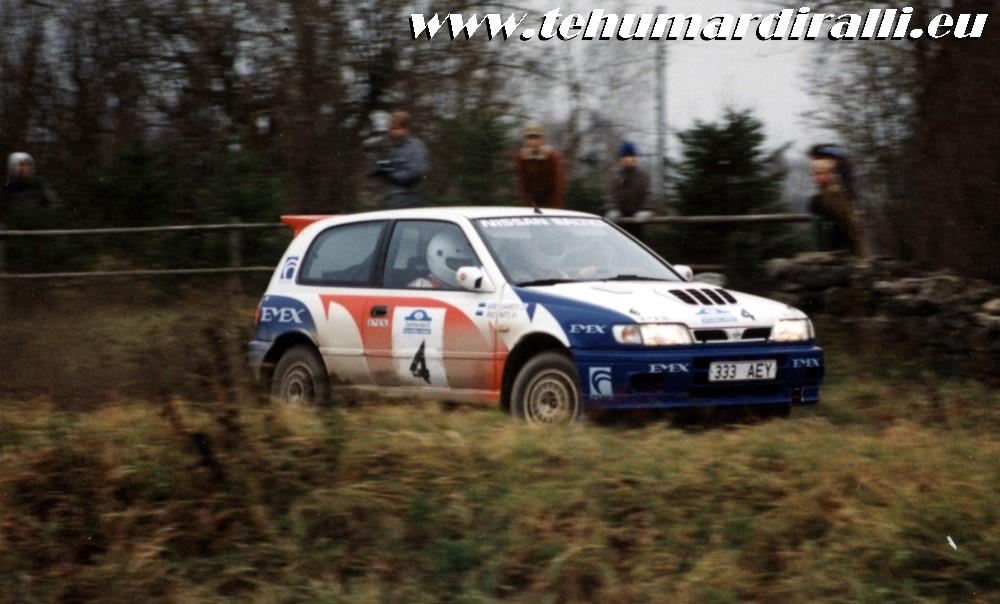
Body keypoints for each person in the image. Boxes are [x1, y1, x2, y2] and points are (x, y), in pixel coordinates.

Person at [808, 144, 866, 257]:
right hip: (843, 231)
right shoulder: (836, 176)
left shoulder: (837, 184)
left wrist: (821, 204)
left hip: (844, 234)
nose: (815, 177)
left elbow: (841, 211)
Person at [369, 111, 429, 209]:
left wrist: (391, 175)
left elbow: (416, 172)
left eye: (395, 128)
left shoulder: (415, 147)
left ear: (405, 129)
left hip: (407, 200)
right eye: (390, 128)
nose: (391, 132)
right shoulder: (391, 147)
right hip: (390, 199)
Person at [1, 152, 62, 226]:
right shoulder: (7, 186)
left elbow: (54, 204)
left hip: (38, 226)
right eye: (20, 165)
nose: (23, 168)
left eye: (26, 165)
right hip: (13, 227)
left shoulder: (39, 184)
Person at [514, 124, 566, 210]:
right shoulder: (522, 157)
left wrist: (553, 208)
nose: (532, 142)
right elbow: (522, 184)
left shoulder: (551, 156)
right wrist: (528, 206)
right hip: (530, 205)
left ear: (541, 140)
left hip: (550, 204)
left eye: (536, 138)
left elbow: (558, 185)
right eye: (530, 138)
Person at [607, 141, 651, 239]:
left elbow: (647, 195)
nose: (628, 159)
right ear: (621, 159)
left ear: (635, 158)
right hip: (620, 222)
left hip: (637, 222)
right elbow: (611, 195)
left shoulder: (643, 176)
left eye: (631, 156)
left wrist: (645, 210)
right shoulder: (616, 177)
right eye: (625, 156)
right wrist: (613, 209)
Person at [409, 230, 477, 289]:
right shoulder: (421, 286)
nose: (462, 268)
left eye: (465, 263)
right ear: (437, 259)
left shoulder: (471, 284)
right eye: (456, 263)